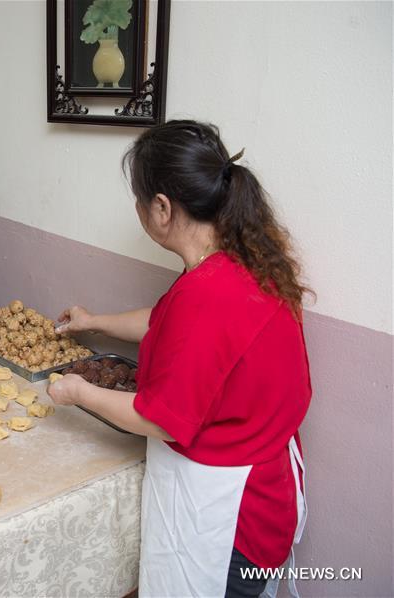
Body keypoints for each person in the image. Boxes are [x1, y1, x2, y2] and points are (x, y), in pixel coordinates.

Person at [48, 120, 312, 597]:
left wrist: (77, 391)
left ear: (163, 208)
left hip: (229, 519)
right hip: (269, 493)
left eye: (138, 200)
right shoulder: (240, 262)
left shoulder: (209, 295)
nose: (137, 210)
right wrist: (95, 321)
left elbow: (163, 420)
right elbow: (165, 322)